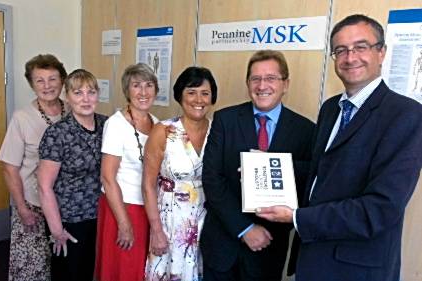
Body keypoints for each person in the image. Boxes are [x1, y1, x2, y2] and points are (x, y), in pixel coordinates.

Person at [256, 15, 422, 281]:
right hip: (313, 259)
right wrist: (269, 165)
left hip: (357, 267)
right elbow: (322, 171)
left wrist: (298, 218)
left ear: (381, 52)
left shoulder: (406, 115)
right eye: (341, 50)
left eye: (360, 47)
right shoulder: (331, 108)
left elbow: (381, 208)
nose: (350, 57)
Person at [201, 50, 315, 281]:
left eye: (271, 78)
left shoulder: (306, 130)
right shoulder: (225, 120)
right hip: (223, 245)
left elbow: (308, 185)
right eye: (255, 79)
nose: (262, 85)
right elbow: (212, 179)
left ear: (286, 84)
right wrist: (244, 229)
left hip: (269, 249)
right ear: (248, 83)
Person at [143, 66, 217, 281]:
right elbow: (148, 184)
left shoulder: (218, 130)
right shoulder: (163, 131)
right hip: (170, 221)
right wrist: (156, 230)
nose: (198, 99)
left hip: (207, 220)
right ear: (180, 95)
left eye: (205, 93)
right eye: (191, 92)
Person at [0, 54, 67, 281]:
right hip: (33, 205)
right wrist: (22, 208)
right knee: (33, 270)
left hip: (66, 207)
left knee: (63, 266)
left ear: (62, 80)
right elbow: (9, 168)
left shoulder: (73, 111)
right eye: (40, 80)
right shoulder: (22, 117)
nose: (47, 86)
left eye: (52, 79)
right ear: (31, 84)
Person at [37, 69, 107, 281]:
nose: (85, 99)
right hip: (68, 220)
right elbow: (44, 186)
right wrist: (57, 230)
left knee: (90, 272)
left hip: (100, 215)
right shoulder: (57, 133)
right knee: (69, 274)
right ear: (67, 96)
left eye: (91, 92)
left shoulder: (107, 124)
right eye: (78, 93)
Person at [94, 63, 158, 281]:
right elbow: (107, 177)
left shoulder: (157, 124)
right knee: (122, 270)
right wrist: (123, 223)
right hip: (121, 207)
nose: (143, 92)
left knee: (142, 269)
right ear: (127, 90)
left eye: (149, 85)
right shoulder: (116, 124)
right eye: (136, 85)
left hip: (148, 207)